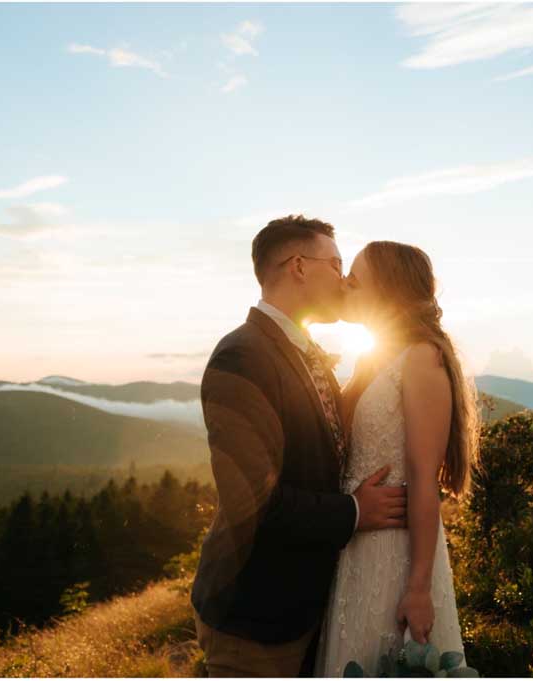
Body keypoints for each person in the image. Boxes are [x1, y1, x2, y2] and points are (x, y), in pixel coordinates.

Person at [190, 215, 409, 677]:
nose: (345, 278)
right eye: (336, 263)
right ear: (299, 267)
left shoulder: (303, 350)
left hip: (310, 605)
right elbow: (253, 502)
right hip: (256, 615)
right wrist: (354, 512)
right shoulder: (242, 356)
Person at [314, 241, 480, 677]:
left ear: (386, 291)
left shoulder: (422, 357)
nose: (344, 287)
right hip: (358, 546)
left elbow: (425, 480)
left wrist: (419, 588)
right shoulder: (372, 357)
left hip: (397, 555)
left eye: (354, 281)